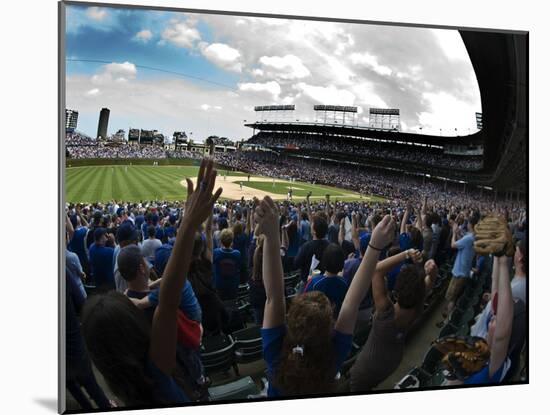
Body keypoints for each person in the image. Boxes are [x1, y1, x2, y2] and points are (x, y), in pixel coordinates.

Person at [81, 158, 222, 406]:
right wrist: (188, 225)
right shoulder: (158, 370)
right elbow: (167, 302)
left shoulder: (127, 393)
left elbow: (166, 300)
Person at [257, 195, 396, 397]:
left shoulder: (277, 354)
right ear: (330, 329)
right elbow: (350, 303)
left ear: (290, 320)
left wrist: (271, 237)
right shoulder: (332, 358)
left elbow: (273, 297)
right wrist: (374, 247)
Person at [349, 252, 437, 391]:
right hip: (390, 365)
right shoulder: (418, 308)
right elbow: (430, 281)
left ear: (396, 293)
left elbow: (377, 270)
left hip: (366, 369)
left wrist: (406, 254)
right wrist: (433, 271)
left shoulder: (386, 312)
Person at [439, 215, 478, 326]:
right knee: (453, 297)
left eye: (469, 223)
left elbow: (453, 245)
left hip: (459, 272)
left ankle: (446, 321)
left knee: (451, 298)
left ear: (472, 225)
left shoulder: (469, 238)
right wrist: (457, 231)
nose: (467, 224)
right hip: (463, 271)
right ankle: (447, 317)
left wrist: (454, 233)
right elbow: (463, 238)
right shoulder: (473, 236)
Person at [304, 243, 349, 318]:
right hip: (334, 319)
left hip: (316, 320)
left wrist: (308, 281)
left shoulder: (314, 282)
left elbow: (304, 301)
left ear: (324, 261)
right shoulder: (344, 283)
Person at [294, 214, 330, 282]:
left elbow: (296, 263)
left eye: (312, 225)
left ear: (314, 231)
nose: (310, 226)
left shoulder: (306, 246)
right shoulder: (330, 245)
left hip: (308, 282)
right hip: (325, 280)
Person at [212, 228, 241, 300]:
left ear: (221, 240)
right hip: (233, 284)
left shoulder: (216, 252)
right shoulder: (237, 253)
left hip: (219, 284)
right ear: (232, 240)